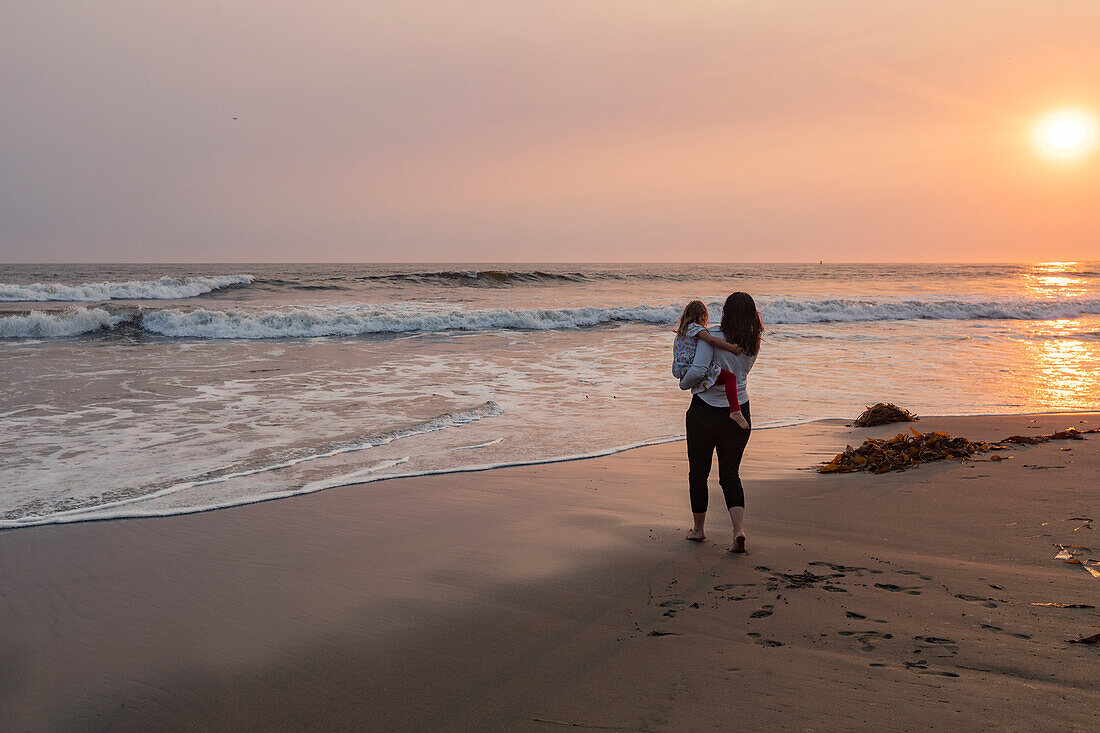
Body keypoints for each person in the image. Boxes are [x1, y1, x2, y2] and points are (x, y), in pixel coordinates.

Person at [678, 292, 762, 553]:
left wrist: (683, 384)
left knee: (698, 473)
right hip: (739, 411)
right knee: (730, 475)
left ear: (725, 311)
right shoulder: (752, 341)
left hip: (705, 411)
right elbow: (741, 373)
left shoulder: (712, 335)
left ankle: (699, 530)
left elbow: (699, 370)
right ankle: (738, 530)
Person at [671, 300, 748, 428]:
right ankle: (735, 411)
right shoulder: (697, 328)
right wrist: (731, 348)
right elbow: (711, 340)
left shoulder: (682, 332)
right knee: (730, 378)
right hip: (692, 366)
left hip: (682, 368)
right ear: (702, 317)